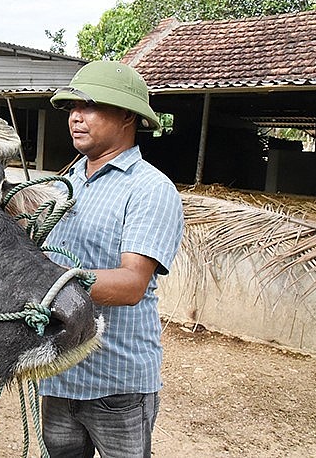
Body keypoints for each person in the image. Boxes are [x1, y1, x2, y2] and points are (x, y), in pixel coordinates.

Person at [40, 60, 185, 458]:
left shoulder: (150, 189)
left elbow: (131, 284)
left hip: (115, 381)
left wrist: (43, 282)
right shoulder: (64, 185)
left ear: (126, 116)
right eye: (71, 108)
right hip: (58, 371)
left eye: (89, 106)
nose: (75, 117)